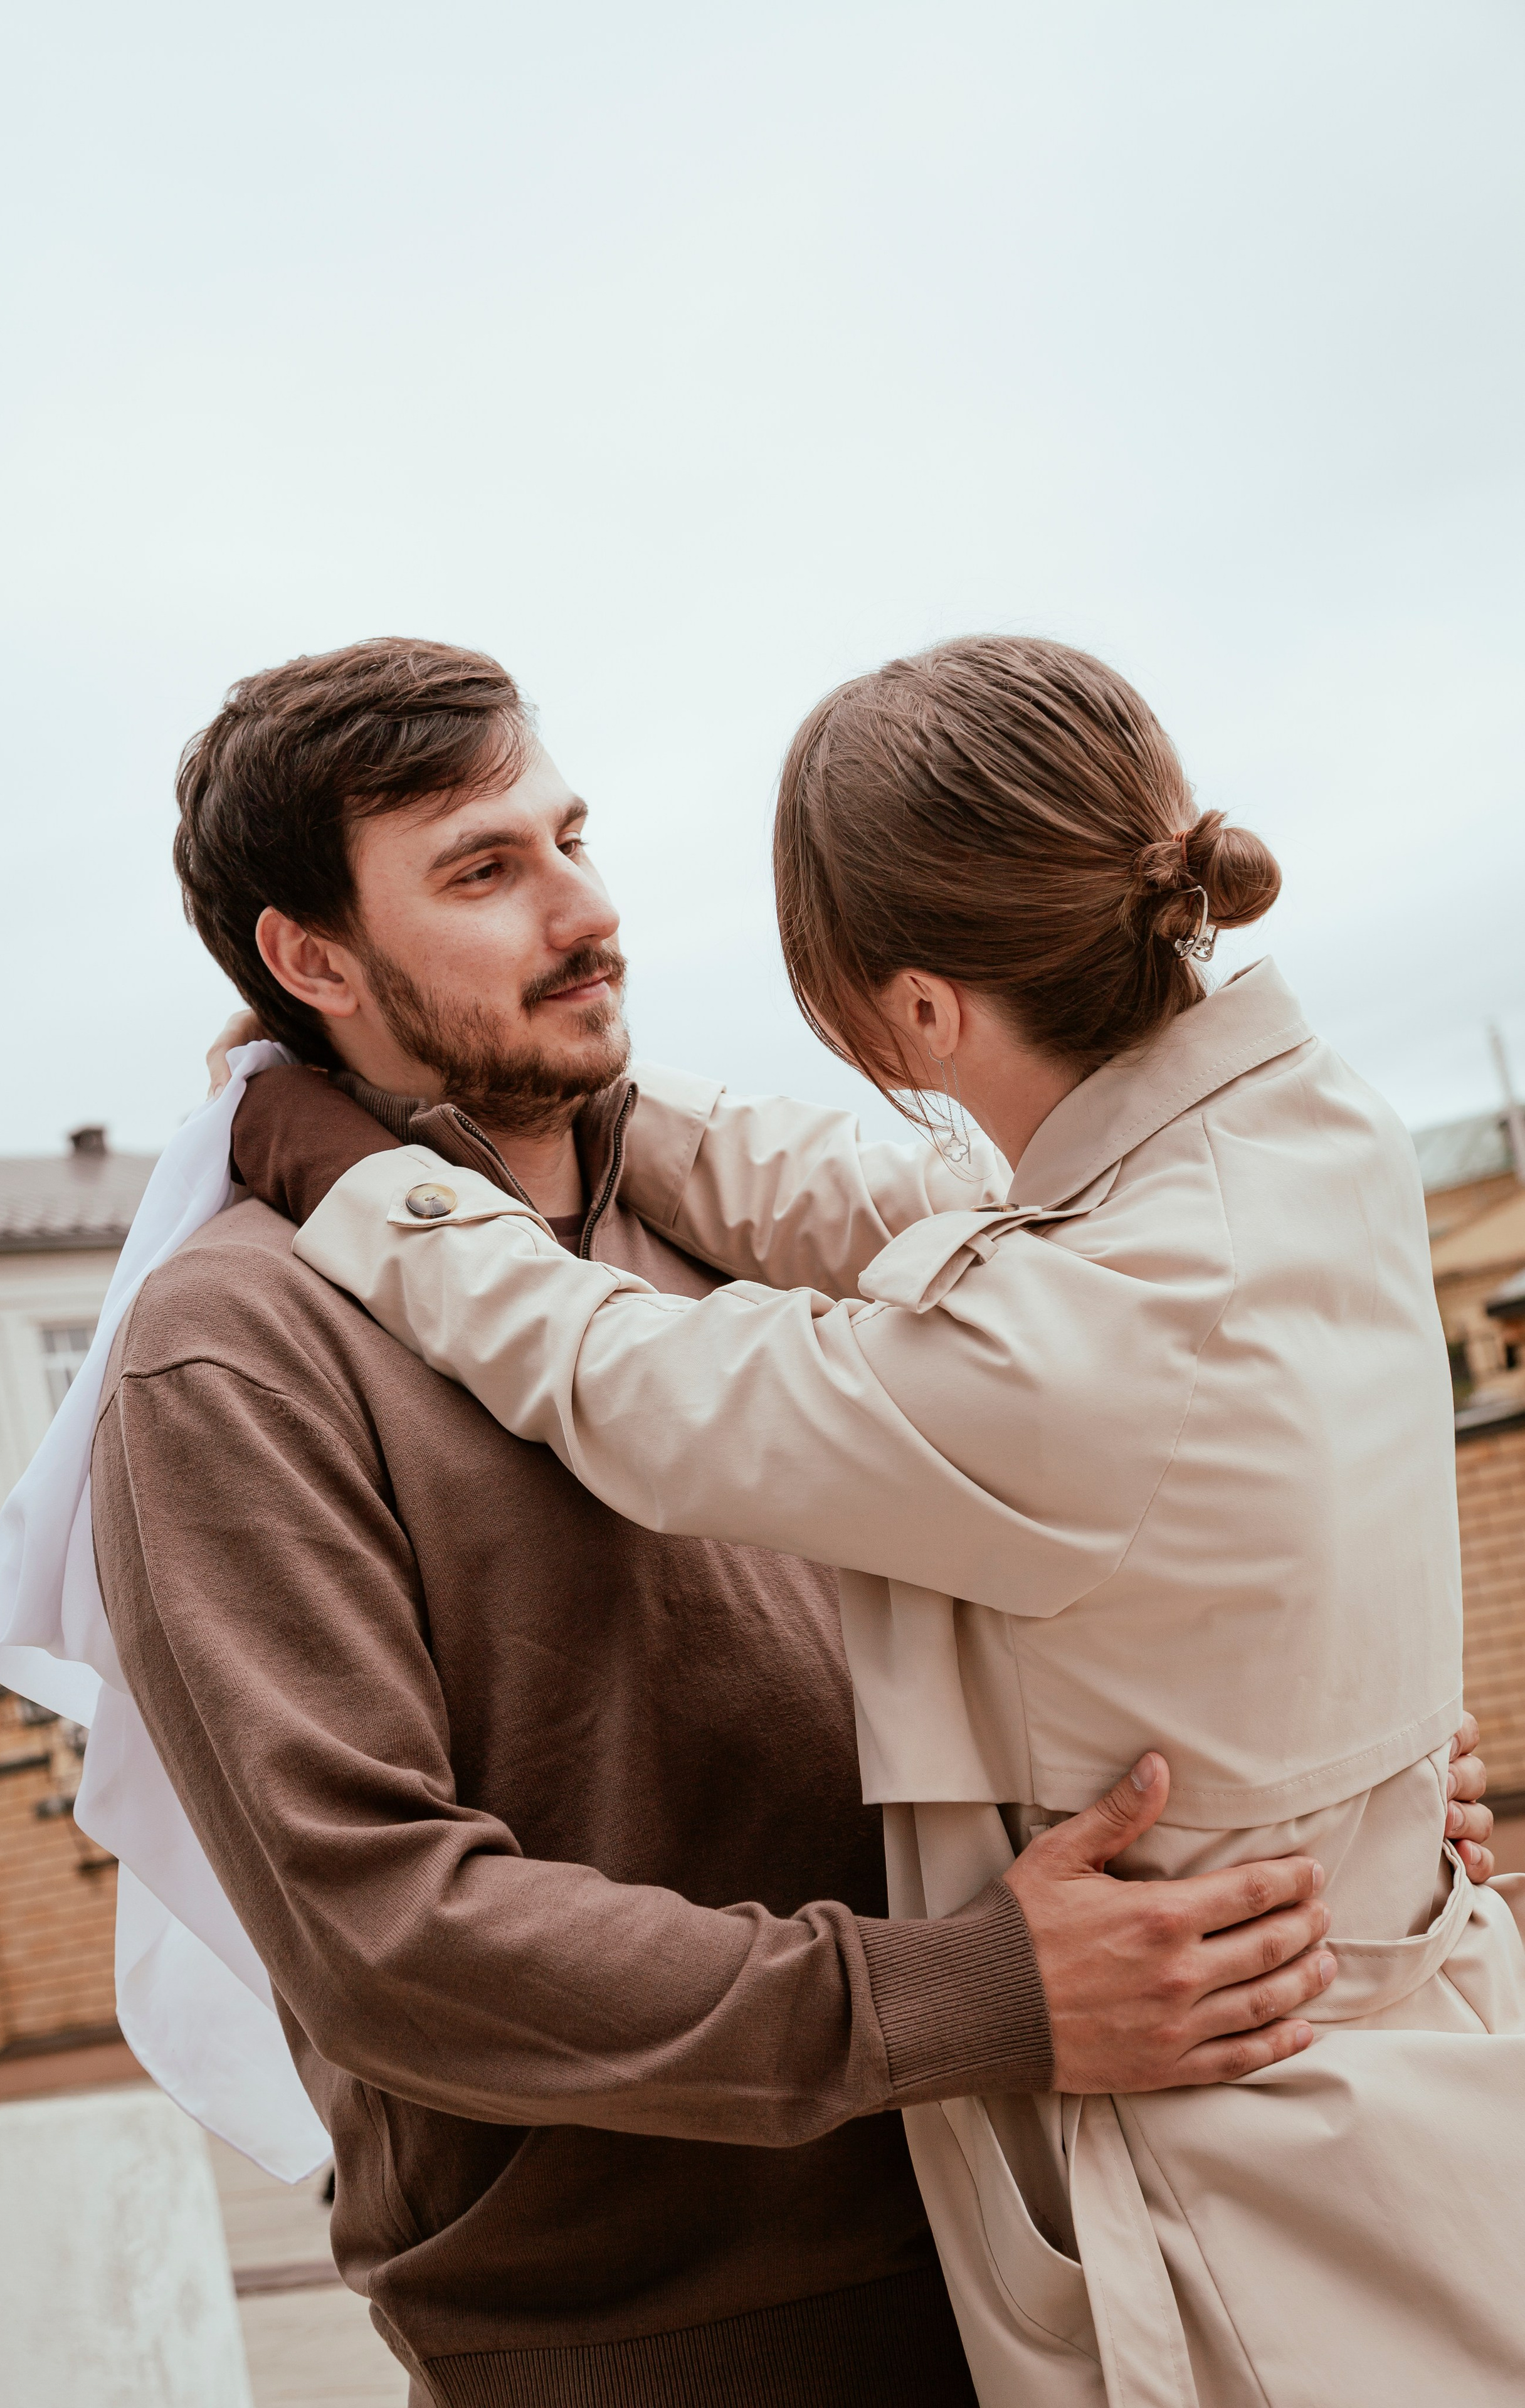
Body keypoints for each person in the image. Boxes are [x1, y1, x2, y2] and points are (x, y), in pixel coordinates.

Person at [230, 635, 1522, 2407]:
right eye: (490, 869)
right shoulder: (1305, 1137)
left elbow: (627, 1382)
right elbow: (900, 1199)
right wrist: (560, 1062)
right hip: (1426, 2091)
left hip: (1266, 2230)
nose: (581, 904)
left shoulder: (1065, 1356)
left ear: (917, 1014)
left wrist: (369, 1177)